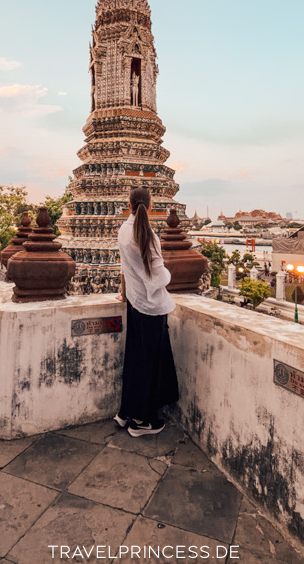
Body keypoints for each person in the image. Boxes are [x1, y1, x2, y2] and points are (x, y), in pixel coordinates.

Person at [115, 186, 179, 437]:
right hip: (152, 308)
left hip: (134, 302)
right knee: (150, 364)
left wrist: (123, 293)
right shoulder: (148, 236)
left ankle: (126, 413)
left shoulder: (123, 230)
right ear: (150, 206)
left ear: (128, 205)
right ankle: (144, 421)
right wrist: (169, 273)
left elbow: (125, 269)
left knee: (135, 359)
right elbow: (158, 277)